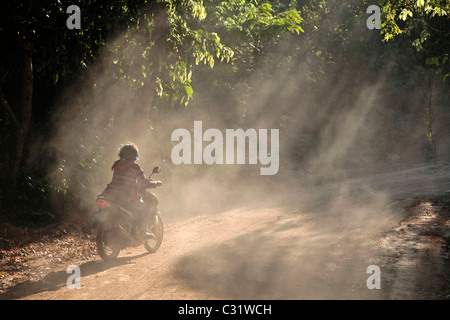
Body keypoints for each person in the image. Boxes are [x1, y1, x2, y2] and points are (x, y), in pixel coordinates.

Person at [100, 143, 161, 239]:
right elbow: (144, 183)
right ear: (135, 155)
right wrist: (156, 183)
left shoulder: (117, 165)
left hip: (114, 197)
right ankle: (143, 232)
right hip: (128, 197)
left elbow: (115, 181)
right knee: (145, 209)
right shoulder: (135, 166)